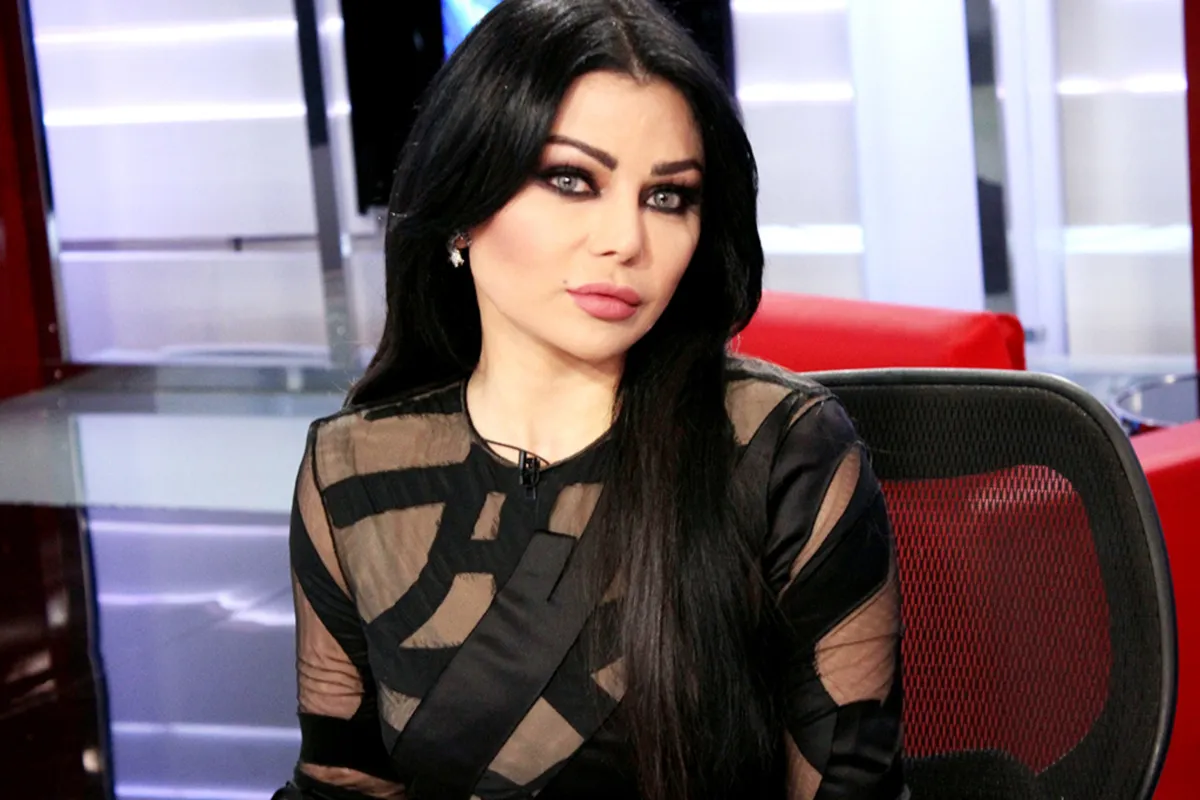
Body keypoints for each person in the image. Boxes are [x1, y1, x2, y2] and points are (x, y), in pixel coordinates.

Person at [275, 1, 905, 798]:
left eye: (667, 196)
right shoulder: (350, 469)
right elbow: (340, 784)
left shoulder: (781, 454)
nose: (626, 241)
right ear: (464, 203)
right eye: (571, 180)